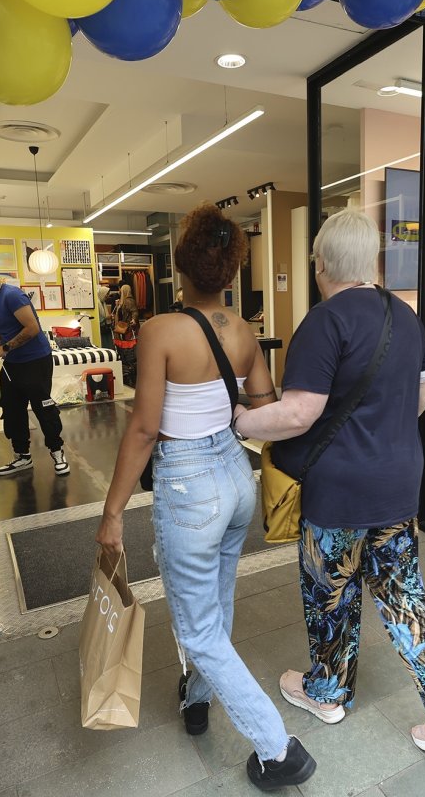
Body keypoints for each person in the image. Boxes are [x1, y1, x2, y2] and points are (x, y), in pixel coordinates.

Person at [233, 210, 425, 754]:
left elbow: (299, 413)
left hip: (338, 490)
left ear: (321, 263)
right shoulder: (404, 314)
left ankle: (328, 692)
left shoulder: (324, 322)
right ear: (371, 260)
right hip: (398, 482)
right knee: (403, 596)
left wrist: (243, 421)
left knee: (330, 593)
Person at [95, 204, 316, 791]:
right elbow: (265, 409)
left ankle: (277, 748)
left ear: (181, 264)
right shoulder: (242, 330)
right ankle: (197, 696)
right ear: (231, 268)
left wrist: (112, 509)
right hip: (235, 478)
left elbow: (144, 429)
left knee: (198, 627)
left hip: (189, 488)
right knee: (213, 604)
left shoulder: (159, 331)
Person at [0, 258, 68, 477]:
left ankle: (57, 451)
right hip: (13, 363)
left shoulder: (11, 295)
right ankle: (22, 457)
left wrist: (4, 348)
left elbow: (33, 328)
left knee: (43, 408)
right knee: (12, 409)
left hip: (36, 359)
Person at [111, 283, 139, 388]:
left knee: (129, 351)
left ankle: (130, 373)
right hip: (123, 330)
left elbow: (134, 312)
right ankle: (127, 372)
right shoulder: (122, 301)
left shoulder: (129, 300)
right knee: (124, 351)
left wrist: (133, 320)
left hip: (127, 330)